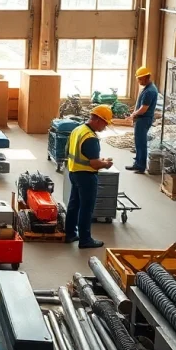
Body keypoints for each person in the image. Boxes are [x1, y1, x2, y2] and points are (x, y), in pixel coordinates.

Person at [65, 105, 115, 249]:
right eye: (105, 123)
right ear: (98, 120)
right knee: (87, 208)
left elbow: (68, 151)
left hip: (73, 172)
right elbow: (94, 163)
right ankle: (85, 239)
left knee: (74, 204)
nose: (105, 127)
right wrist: (105, 164)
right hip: (86, 176)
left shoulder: (78, 130)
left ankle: (70, 234)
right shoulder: (91, 138)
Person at [126, 66, 159, 173]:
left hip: (143, 119)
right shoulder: (148, 88)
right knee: (138, 142)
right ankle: (138, 162)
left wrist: (133, 115)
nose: (139, 81)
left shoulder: (150, 91)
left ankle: (141, 166)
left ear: (146, 77)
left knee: (141, 143)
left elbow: (143, 108)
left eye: (140, 79)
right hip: (141, 119)